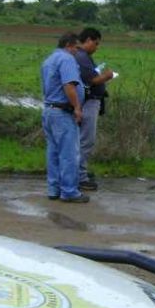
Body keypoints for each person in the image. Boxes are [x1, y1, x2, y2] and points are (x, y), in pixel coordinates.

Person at [41, 32, 88, 203]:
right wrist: (77, 107)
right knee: (68, 154)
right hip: (62, 112)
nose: (77, 52)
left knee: (53, 152)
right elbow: (69, 85)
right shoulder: (67, 59)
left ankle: (54, 189)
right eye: (76, 48)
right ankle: (69, 191)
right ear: (68, 45)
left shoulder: (48, 60)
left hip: (49, 110)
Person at [74, 28, 115, 191]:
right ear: (89, 40)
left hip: (89, 101)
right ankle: (80, 176)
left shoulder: (83, 57)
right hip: (89, 101)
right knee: (86, 140)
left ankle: (79, 172)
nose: (97, 47)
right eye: (96, 43)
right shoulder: (82, 57)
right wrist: (107, 76)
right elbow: (91, 80)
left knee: (82, 140)